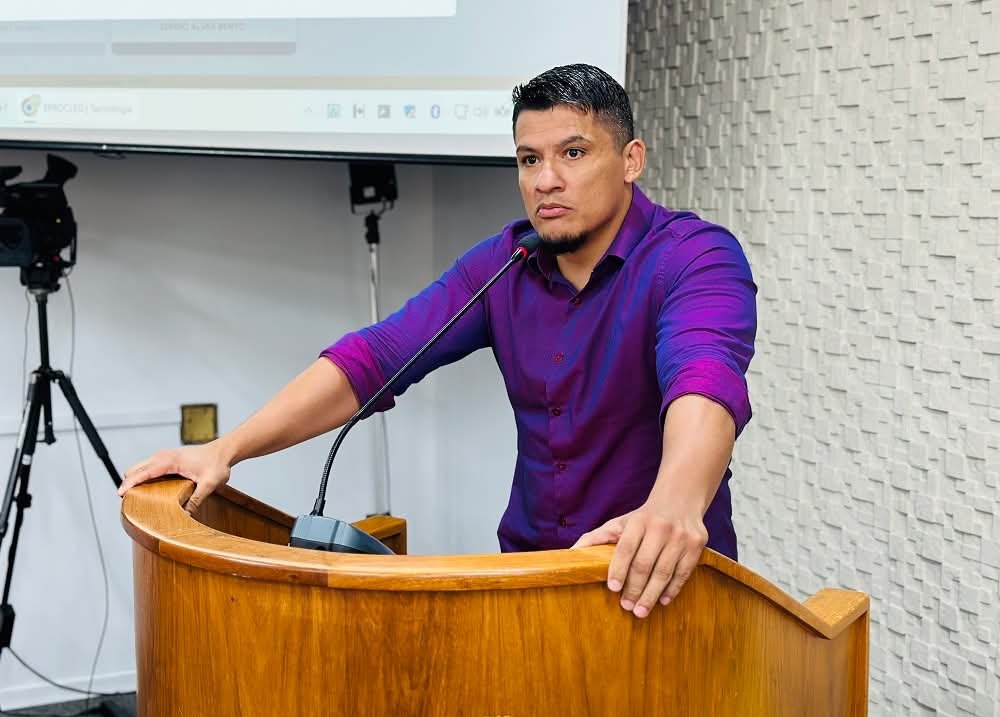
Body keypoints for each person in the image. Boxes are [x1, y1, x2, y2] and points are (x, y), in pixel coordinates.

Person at [118, 63, 756, 620]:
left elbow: (703, 378)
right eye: (529, 159)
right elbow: (374, 358)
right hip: (530, 579)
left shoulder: (696, 257)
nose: (546, 180)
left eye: (573, 153)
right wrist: (225, 449)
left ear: (631, 160)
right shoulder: (504, 263)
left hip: (660, 582)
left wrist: (673, 504)